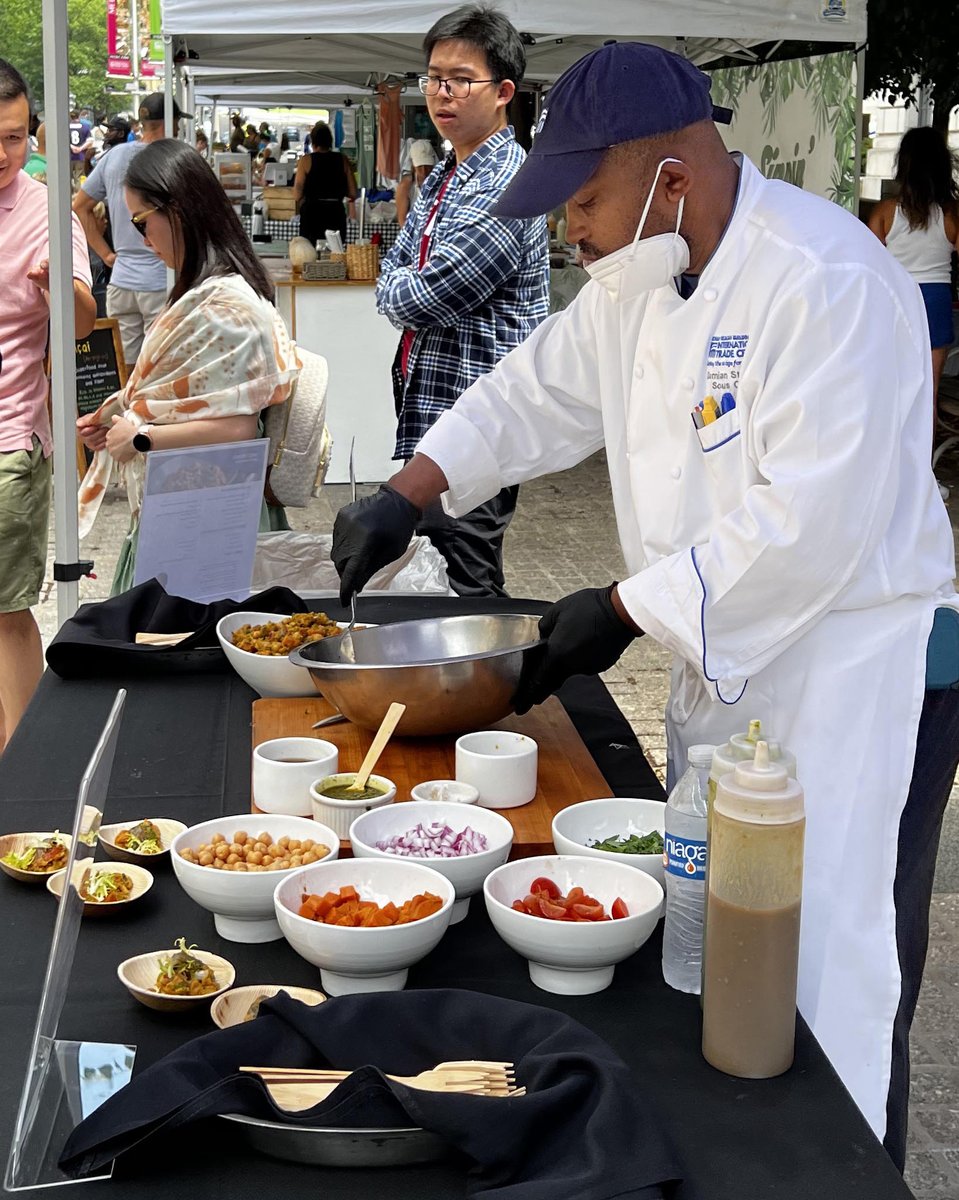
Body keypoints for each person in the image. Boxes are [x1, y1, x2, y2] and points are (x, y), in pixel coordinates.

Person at [332, 41, 959, 1170]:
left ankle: (850, 1169)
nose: (568, 229)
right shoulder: (635, 275)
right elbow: (531, 391)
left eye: (581, 200)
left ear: (668, 176)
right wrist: (408, 491)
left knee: (835, 954)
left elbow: (809, 522)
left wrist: (620, 610)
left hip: (864, 668)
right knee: (732, 952)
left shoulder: (825, 279)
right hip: (731, 656)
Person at [373, 3, 550, 597]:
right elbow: (396, 265)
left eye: (459, 80)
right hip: (439, 417)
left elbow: (426, 295)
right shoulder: (449, 170)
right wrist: (398, 282)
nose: (441, 94)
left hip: (480, 423)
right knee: (442, 571)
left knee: (468, 578)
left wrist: (397, 286)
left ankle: (503, 660)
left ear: (503, 92)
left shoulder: (508, 182)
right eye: (433, 79)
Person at [76, 138, 299, 595]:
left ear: (176, 211)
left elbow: (238, 427)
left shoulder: (224, 304)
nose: (142, 239)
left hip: (209, 515)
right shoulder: (212, 289)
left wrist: (140, 436)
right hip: (202, 504)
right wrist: (120, 420)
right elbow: (186, 398)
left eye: (141, 222)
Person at [0, 60, 95, 750]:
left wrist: (57, 288)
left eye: (12, 138)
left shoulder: (44, 211)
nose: (1, 155)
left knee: (5, 611)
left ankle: (22, 762)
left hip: (9, 436)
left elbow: (83, 322)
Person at [73, 96, 178, 369]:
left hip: (121, 279)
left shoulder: (115, 156)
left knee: (124, 368)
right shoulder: (172, 159)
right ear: (170, 123)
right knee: (159, 369)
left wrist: (106, 254)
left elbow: (80, 207)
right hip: (160, 280)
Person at [868, 127, 959, 418]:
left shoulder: (884, 211)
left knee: (891, 390)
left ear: (903, 165)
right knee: (928, 396)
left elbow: (869, 266)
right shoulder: (953, 213)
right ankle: (925, 449)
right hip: (936, 301)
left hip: (896, 299)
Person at [293, 120, 356, 247]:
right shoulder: (342, 159)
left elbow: (297, 194)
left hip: (312, 214)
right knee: (335, 252)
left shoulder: (306, 161)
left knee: (310, 253)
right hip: (335, 213)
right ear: (330, 141)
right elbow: (353, 192)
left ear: (313, 142)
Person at [395, 137, 438, 224]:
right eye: (420, 167)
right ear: (413, 166)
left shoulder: (441, 184)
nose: (424, 171)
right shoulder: (405, 187)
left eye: (427, 166)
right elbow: (402, 220)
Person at [68, 108, 93, 188]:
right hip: (81, 156)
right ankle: (78, 193)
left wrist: (71, 146)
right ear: (79, 116)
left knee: (67, 178)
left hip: (68, 156)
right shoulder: (85, 127)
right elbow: (90, 141)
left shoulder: (66, 127)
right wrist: (80, 148)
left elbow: (63, 140)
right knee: (79, 177)